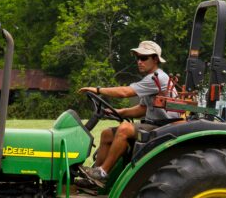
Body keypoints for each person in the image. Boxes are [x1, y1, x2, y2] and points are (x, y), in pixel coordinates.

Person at [77, 40, 179, 188]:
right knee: (107, 133)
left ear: (155, 59)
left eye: (144, 58)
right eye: (137, 58)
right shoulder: (151, 79)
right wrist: (116, 112)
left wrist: (97, 89)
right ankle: (93, 176)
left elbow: (125, 92)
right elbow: (142, 109)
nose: (139, 62)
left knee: (125, 128)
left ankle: (103, 172)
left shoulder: (157, 77)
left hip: (164, 126)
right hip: (152, 123)